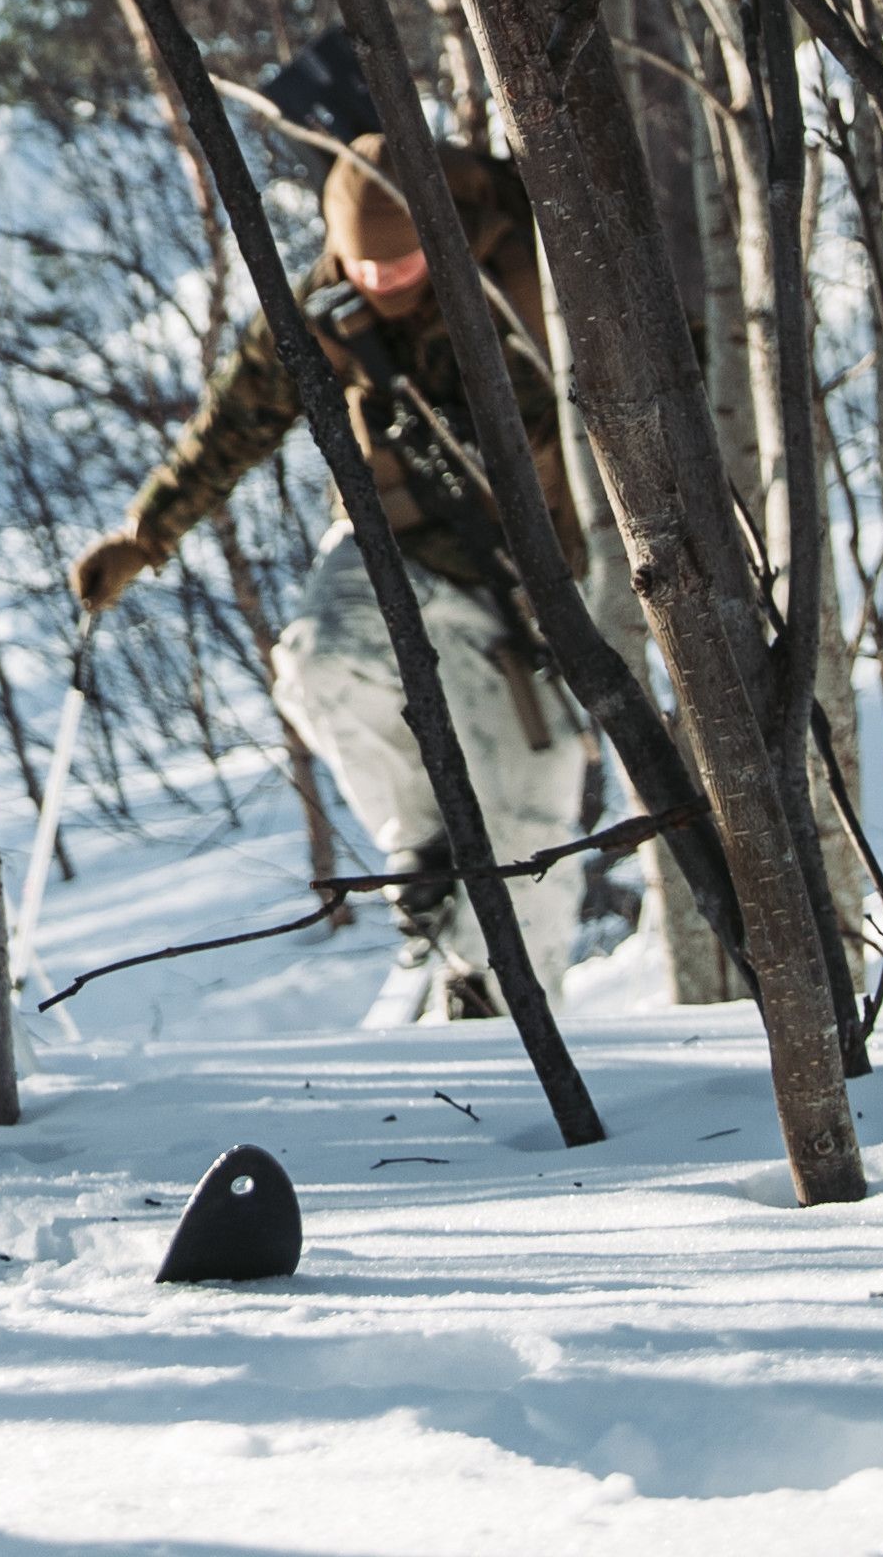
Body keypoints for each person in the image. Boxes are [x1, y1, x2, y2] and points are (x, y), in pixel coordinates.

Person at [72, 64, 606, 1021]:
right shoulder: (329, 304)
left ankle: (498, 1009)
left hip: (547, 586)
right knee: (318, 660)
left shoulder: (542, 265)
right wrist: (144, 537)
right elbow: (232, 423)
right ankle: (425, 843)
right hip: (395, 552)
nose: (379, 285)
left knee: (533, 835)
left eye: (399, 271)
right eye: (362, 269)